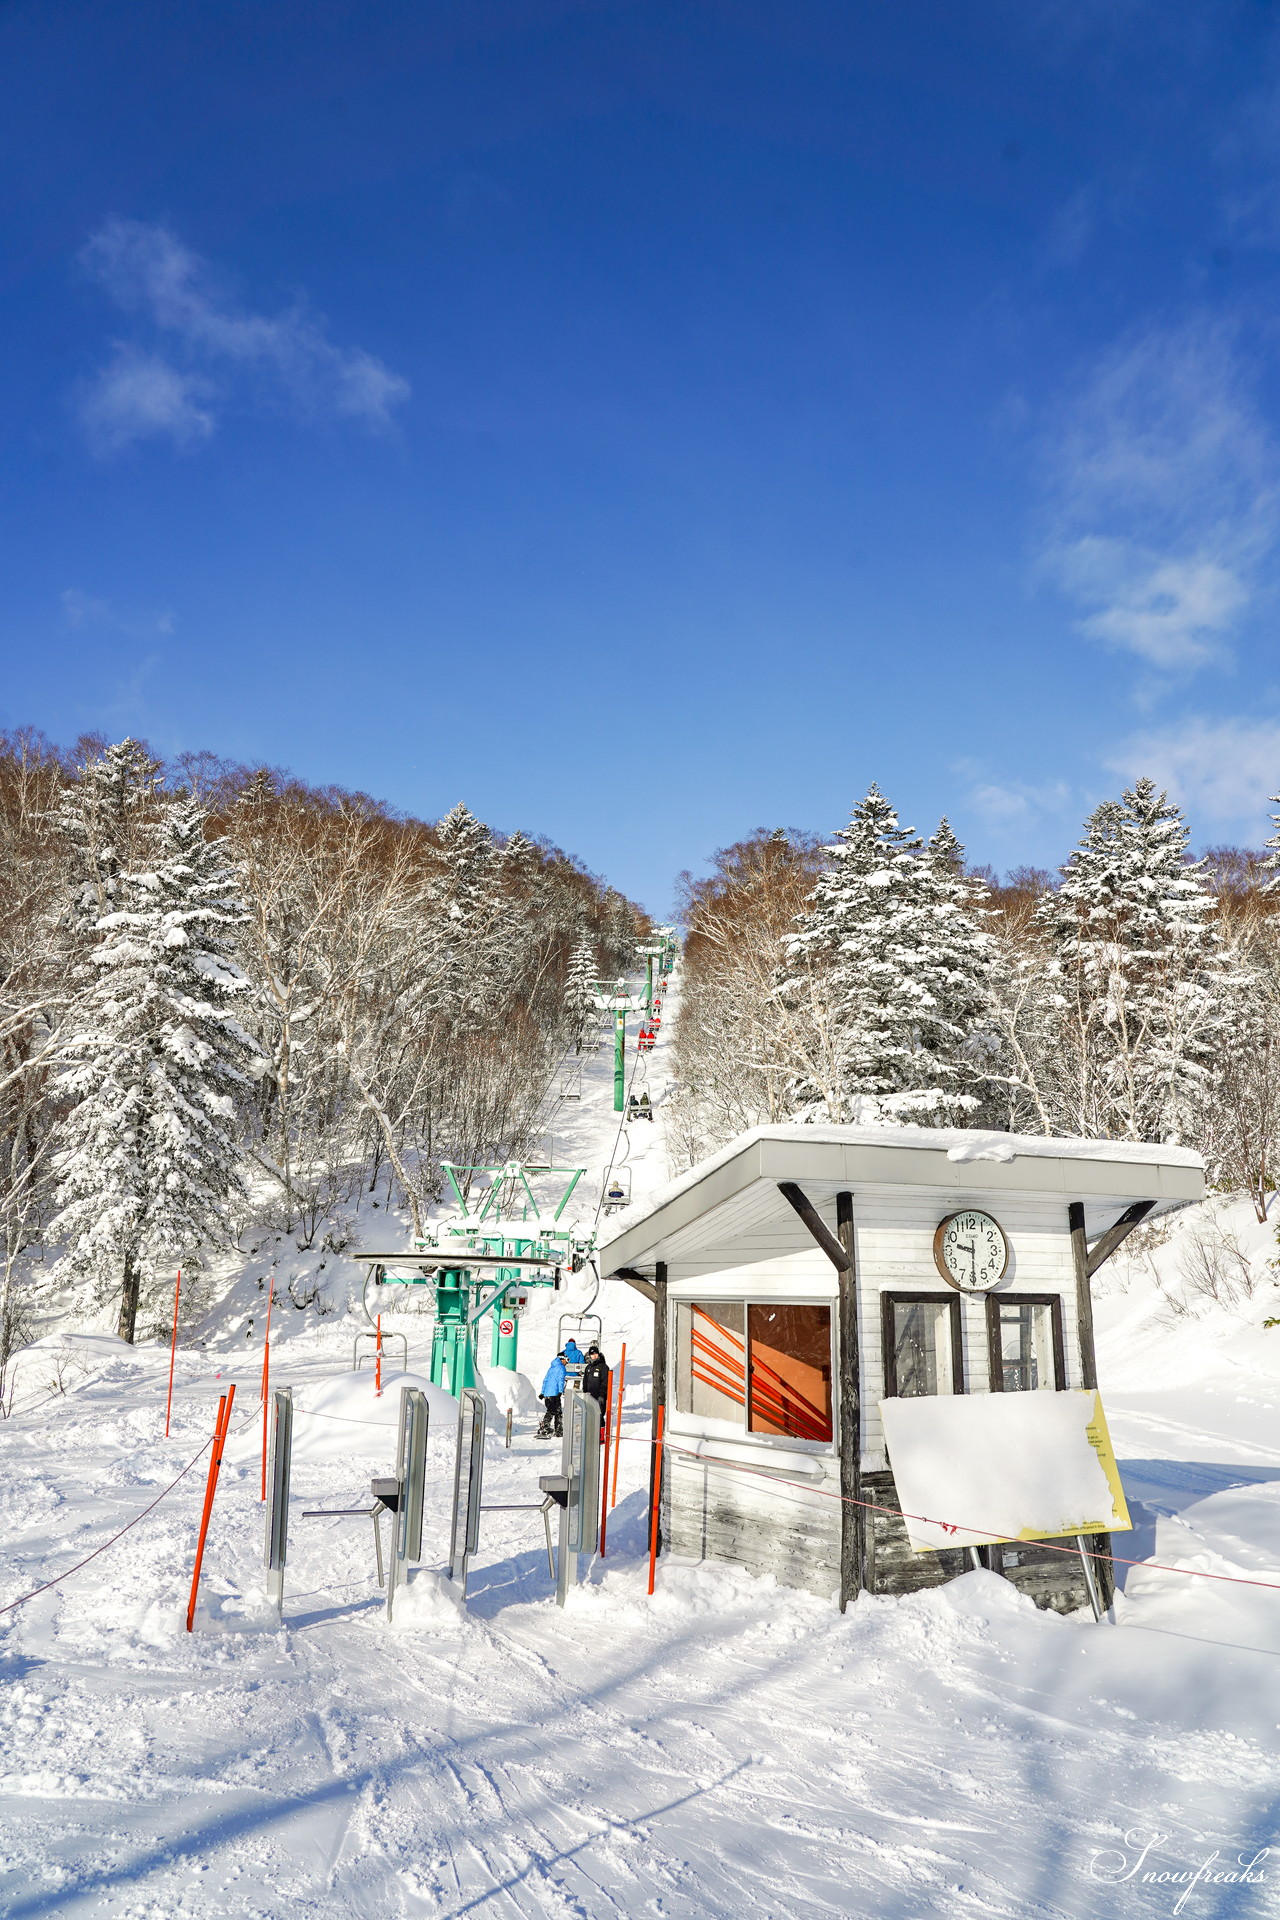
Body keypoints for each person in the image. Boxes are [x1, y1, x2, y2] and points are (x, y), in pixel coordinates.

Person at [537, 1351, 567, 1438]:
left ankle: (556, 1429)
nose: (567, 1362)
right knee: (555, 1411)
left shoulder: (551, 1368)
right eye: (566, 1360)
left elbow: (545, 1380)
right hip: (555, 1393)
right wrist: (560, 1391)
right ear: (562, 1359)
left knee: (553, 1410)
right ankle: (548, 1427)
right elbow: (561, 1380)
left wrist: (543, 1392)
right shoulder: (561, 1368)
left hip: (547, 1394)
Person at [582, 1344, 610, 1434]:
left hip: (599, 1397)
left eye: (595, 1354)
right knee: (590, 1415)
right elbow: (585, 1382)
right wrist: (585, 1393)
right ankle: (591, 1434)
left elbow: (605, 1381)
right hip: (590, 1396)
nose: (593, 1356)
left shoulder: (603, 1367)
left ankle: (600, 1435)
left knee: (599, 1416)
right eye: (592, 1354)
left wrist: (602, 1394)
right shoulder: (588, 1368)